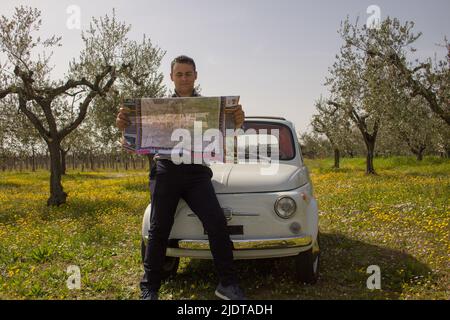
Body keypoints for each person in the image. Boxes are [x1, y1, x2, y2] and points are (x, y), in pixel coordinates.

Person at [116, 55, 246, 300]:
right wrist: (124, 124)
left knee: (217, 223)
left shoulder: (209, 107)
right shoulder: (158, 108)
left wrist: (237, 120)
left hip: (197, 174)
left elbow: (229, 134)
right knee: (158, 228)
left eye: (188, 73)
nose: (184, 78)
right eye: (179, 74)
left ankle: (227, 284)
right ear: (172, 77)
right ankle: (149, 288)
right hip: (166, 171)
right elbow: (132, 137)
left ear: (196, 76)